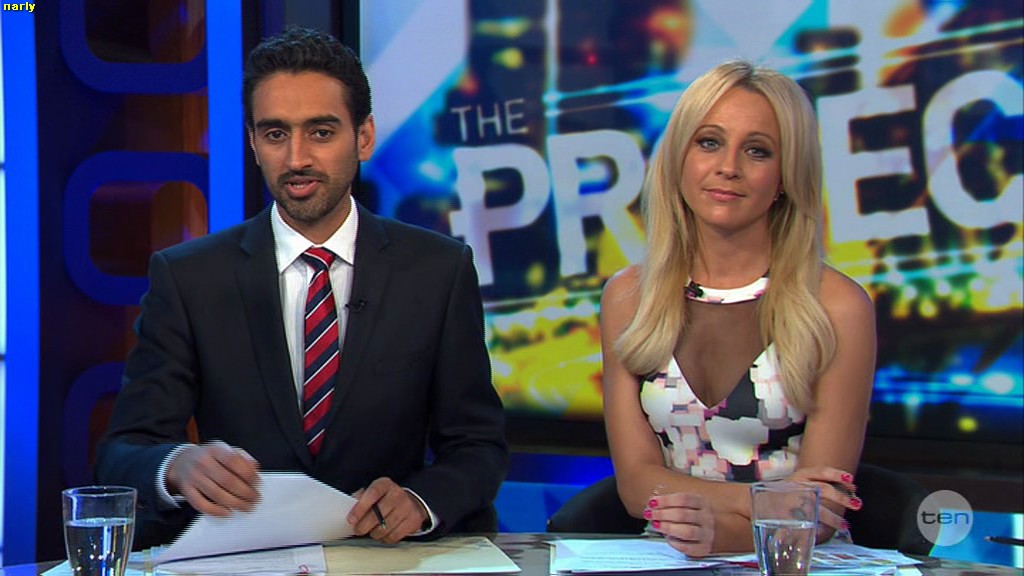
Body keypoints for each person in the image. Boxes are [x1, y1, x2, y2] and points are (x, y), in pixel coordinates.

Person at [95, 26, 509, 548]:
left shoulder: (438, 270)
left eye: (320, 132)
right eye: (275, 134)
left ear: (363, 137)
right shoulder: (189, 277)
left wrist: (420, 500)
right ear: (253, 142)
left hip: (387, 558)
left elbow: (477, 445)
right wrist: (177, 464)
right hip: (245, 557)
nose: (296, 160)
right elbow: (123, 451)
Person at [600, 60, 876, 556]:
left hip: (798, 561)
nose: (728, 166)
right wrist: (763, 502)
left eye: (757, 150)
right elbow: (637, 485)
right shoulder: (628, 298)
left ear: (786, 175)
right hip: (669, 555)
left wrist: (723, 532)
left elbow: (820, 512)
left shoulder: (837, 306)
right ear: (678, 158)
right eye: (709, 142)